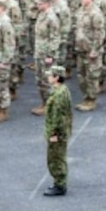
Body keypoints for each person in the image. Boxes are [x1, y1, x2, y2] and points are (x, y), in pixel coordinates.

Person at [43, 64, 71, 196]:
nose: (48, 77)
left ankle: (60, 184)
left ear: (56, 77)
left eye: (50, 75)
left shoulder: (59, 95)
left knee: (56, 158)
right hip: (60, 131)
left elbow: (58, 117)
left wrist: (54, 133)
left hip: (58, 133)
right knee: (57, 157)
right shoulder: (61, 90)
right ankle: (59, 182)